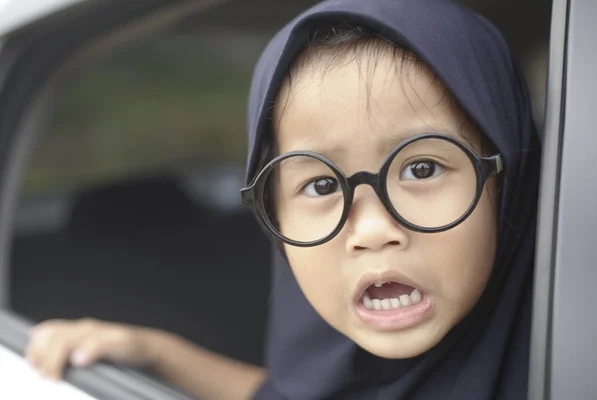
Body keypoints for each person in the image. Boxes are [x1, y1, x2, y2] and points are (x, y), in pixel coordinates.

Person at [25, 0, 541, 399]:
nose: (371, 230)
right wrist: (156, 353)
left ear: (508, 182)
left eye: (422, 169)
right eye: (321, 186)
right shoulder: (355, 370)